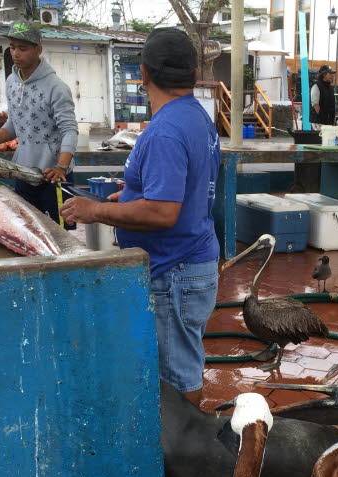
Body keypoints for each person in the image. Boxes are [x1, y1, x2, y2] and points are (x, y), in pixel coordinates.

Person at [59, 28, 219, 406]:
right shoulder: (196, 117)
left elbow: (163, 212)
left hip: (175, 269)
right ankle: (180, 449)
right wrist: (128, 195)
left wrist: (96, 210)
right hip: (188, 261)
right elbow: (185, 187)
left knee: (178, 374)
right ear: (194, 75)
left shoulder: (165, 130)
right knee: (177, 364)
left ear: (144, 74)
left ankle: (185, 458)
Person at [0, 21, 77, 223]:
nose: (15, 53)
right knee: (28, 229)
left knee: (63, 236)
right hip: (24, 174)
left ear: (38, 50)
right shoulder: (11, 83)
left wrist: (61, 167)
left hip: (54, 177)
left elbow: (70, 131)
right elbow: (13, 127)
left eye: (23, 48)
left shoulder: (56, 88)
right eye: (12, 47)